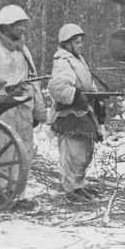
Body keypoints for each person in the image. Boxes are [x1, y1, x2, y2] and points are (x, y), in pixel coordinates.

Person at [0, 4, 47, 208]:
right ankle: (0, 196)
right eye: (19, 25)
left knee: (24, 153)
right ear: (7, 26)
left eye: (24, 25)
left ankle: (16, 196)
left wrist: (39, 109)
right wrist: (5, 90)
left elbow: (34, 80)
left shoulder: (23, 49)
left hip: (23, 110)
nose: (23, 29)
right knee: (3, 152)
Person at [47, 23, 105, 201]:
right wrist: (77, 96)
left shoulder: (78, 59)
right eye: (77, 42)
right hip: (69, 114)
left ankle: (78, 185)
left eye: (81, 42)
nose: (81, 45)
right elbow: (57, 87)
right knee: (73, 152)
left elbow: (86, 82)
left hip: (81, 112)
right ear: (67, 44)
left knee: (84, 151)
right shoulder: (63, 61)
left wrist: (96, 97)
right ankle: (71, 189)